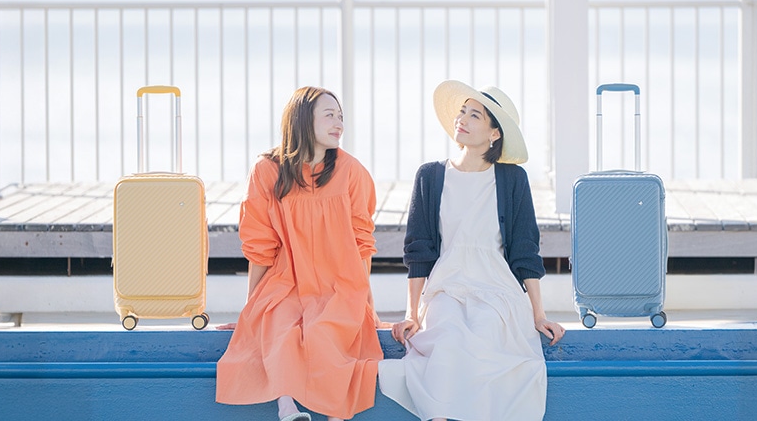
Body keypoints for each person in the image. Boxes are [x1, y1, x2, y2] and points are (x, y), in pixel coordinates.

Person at [377, 80, 566, 421]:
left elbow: (525, 251)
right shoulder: (430, 176)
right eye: (462, 112)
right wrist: (411, 314)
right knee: (446, 341)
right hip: (445, 287)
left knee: (488, 340)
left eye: (474, 115)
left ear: (495, 133)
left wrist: (539, 315)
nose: (461, 119)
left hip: (497, 289)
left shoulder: (512, 179)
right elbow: (418, 252)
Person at [215, 86, 388, 421]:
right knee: (280, 325)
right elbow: (260, 246)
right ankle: (287, 408)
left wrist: (367, 305)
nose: (339, 124)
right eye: (329, 115)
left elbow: (362, 244)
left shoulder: (352, 171)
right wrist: (251, 310)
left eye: (340, 117)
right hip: (288, 279)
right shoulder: (267, 170)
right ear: (303, 120)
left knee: (326, 333)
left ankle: (335, 414)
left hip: (339, 284)